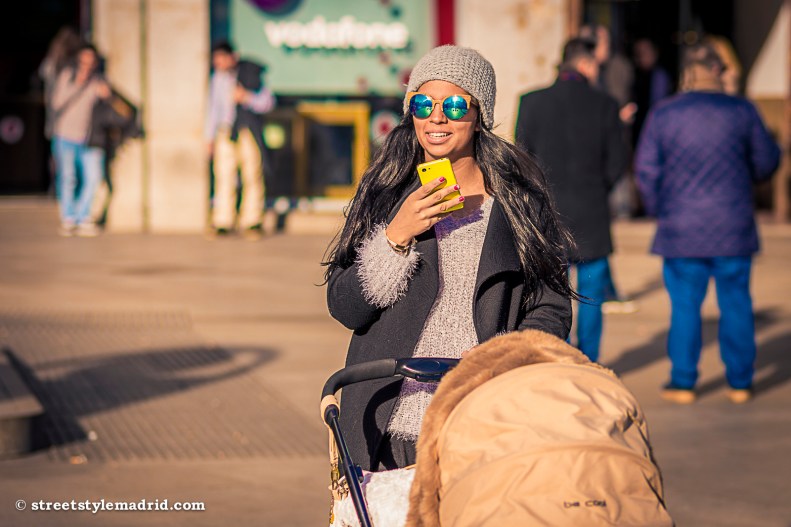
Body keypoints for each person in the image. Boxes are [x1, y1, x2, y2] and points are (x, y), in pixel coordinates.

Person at [324, 45, 576, 471]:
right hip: (383, 426)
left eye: (455, 104)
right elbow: (345, 307)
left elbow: (550, 308)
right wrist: (395, 236)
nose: (437, 118)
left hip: (478, 426)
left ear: (479, 116)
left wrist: (505, 364)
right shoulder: (385, 195)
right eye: (424, 103)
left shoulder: (519, 204)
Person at [635, 43, 780, 405]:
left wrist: (659, 209)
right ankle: (740, 383)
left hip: (681, 228)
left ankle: (683, 382)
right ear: (719, 71)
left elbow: (646, 169)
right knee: (736, 304)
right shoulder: (743, 111)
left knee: (684, 306)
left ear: (687, 74)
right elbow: (765, 163)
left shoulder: (664, 113)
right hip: (733, 227)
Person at [515, 38, 628, 362]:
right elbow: (618, 162)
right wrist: (598, 188)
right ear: (585, 65)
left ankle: (556, 360)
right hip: (592, 212)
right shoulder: (605, 104)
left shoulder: (532, 101)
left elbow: (522, 159)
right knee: (592, 294)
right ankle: (588, 361)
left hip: (547, 213)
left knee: (551, 297)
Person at [204, 41, 274, 239]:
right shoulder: (217, 79)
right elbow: (213, 110)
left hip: (247, 131)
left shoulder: (250, 73)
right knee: (224, 175)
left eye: (221, 58)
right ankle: (223, 221)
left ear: (232, 56)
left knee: (252, 174)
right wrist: (208, 138)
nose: (218, 63)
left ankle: (252, 221)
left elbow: (268, 102)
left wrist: (247, 98)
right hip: (225, 132)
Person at [50, 42, 112, 237]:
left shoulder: (98, 81)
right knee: (68, 177)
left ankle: (83, 215)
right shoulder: (67, 77)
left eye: (90, 62)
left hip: (90, 138)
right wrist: (77, 83)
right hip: (65, 135)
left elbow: (107, 110)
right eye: (83, 61)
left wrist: (106, 96)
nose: (87, 66)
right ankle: (69, 218)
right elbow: (56, 103)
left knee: (93, 177)